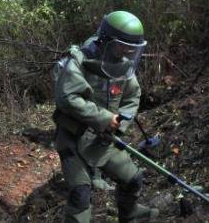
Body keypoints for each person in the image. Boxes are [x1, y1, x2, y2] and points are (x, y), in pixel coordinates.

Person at [52, 11, 159, 222]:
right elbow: (67, 97)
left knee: (133, 179)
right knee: (81, 193)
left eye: (132, 48)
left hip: (103, 140)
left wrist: (118, 124)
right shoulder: (80, 60)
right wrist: (103, 118)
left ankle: (130, 214)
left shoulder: (123, 64)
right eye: (123, 45)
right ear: (106, 40)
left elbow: (132, 96)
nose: (128, 52)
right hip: (73, 138)